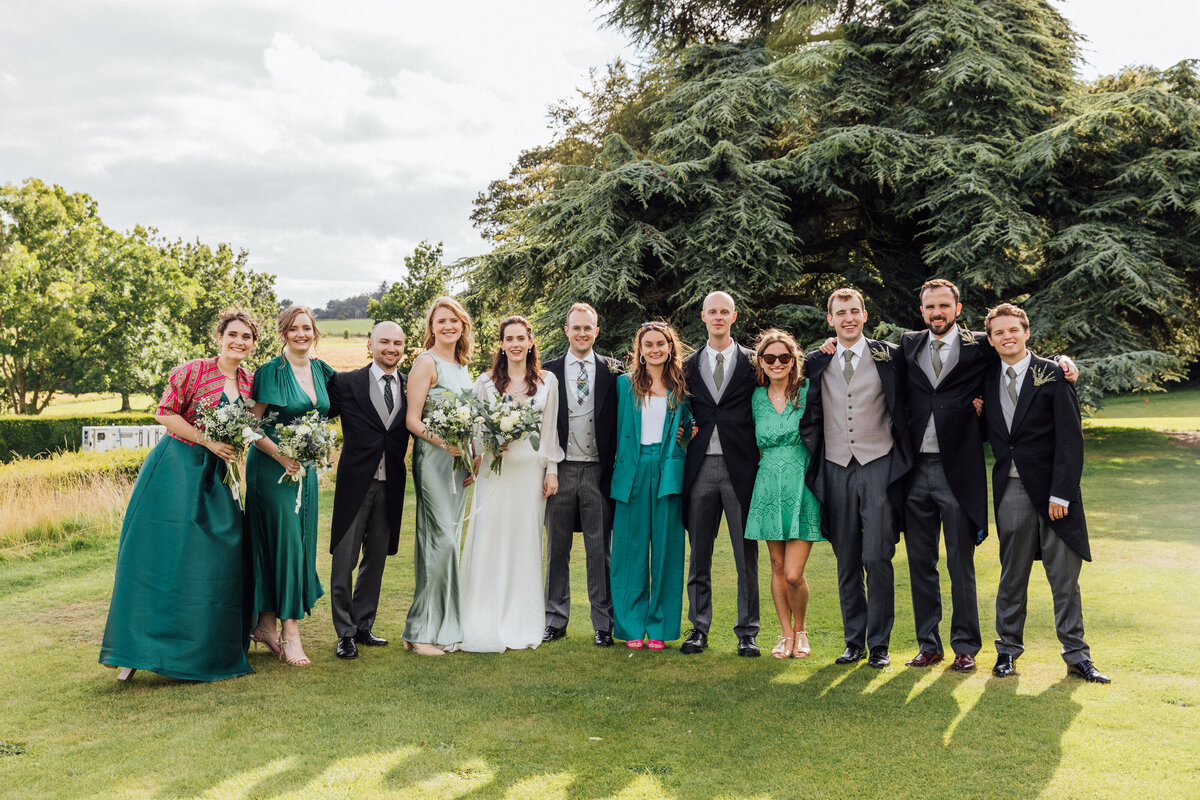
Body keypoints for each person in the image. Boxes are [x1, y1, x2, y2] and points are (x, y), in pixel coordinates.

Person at [895, 279, 1079, 673]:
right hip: (914, 472)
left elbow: (1019, 355)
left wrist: (1062, 361)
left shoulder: (981, 345)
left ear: (957, 309)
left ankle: (965, 645)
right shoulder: (907, 345)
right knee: (920, 562)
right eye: (930, 307)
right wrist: (825, 349)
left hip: (958, 471)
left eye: (944, 305)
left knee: (961, 562)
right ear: (922, 310)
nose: (937, 312)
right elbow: (863, 358)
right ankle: (928, 644)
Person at [99, 309, 259, 682]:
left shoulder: (251, 382)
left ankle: (206, 647)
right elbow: (165, 413)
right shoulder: (193, 371)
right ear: (220, 336)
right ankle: (137, 649)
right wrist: (208, 441)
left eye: (246, 337)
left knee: (220, 558)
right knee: (163, 557)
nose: (239, 341)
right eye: (232, 334)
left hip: (220, 477)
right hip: (176, 470)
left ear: (253, 343)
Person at [982, 303, 1109, 683]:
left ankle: (1076, 656)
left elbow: (1072, 442)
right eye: (999, 332)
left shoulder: (1053, 374)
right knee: (1011, 577)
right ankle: (1006, 652)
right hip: (1011, 490)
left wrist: (1062, 495)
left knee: (1065, 581)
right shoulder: (986, 377)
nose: (1007, 336)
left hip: (1055, 497)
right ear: (989, 340)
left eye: (1013, 330)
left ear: (1026, 332)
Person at [799, 288, 912, 669]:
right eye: (839, 312)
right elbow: (771, 369)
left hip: (878, 463)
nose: (847, 318)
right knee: (846, 558)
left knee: (878, 556)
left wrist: (1057, 361)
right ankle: (854, 642)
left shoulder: (890, 355)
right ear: (829, 319)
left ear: (865, 314)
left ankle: (880, 645)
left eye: (853, 311)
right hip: (834, 466)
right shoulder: (816, 360)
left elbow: (952, 349)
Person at [460, 316, 563, 652]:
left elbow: (549, 431)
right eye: (509, 338)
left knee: (524, 541)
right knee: (490, 537)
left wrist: (552, 470)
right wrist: (487, 447)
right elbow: (476, 430)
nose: (516, 344)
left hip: (530, 475)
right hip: (495, 472)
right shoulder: (486, 383)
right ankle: (482, 616)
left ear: (531, 341)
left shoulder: (548, 381)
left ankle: (521, 617)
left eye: (522, 338)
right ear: (501, 344)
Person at [245, 305, 336, 667]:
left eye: (307, 328)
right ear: (283, 333)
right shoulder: (271, 372)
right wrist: (282, 455)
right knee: (284, 544)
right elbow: (250, 426)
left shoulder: (320, 369)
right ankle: (291, 633)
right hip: (273, 471)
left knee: (300, 543)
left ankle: (265, 626)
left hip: (305, 471)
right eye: (294, 329)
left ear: (314, 332)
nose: (302, 334)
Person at [681, 291, 761, 657]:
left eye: (724, 312)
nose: (717, 317)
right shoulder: (686, 365)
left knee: (746, 556)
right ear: (702, 317)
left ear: (734, 316)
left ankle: (748, 632)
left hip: (740, 468)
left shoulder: (754, 362)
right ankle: (698, 628)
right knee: (699, 553)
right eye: (712, 311)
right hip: (699, 469)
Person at [326, 321, 411, 660]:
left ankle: (363, 626)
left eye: (398, 343)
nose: (392, 348)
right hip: (354, 483)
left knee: (375, 559)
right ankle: (344, 633)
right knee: (344, 559)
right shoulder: (346, 382)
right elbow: (316, 408)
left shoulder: (410, 385)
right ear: (370, 344)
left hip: (392, 484)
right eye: (385, 342)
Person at [610, 322, 692, 650]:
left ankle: (659, 625)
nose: (655, 349)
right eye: (648, 344)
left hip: (669, 469)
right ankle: (631, 625)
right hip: (632, 469)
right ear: (639, 350)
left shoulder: (681, 387)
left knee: (667, 550)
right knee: (630, 550)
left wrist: (686, 434)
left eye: (661, 343)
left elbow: (689, 425)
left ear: (670, 347)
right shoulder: (624, 385)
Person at [743, 329, 824, 659]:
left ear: (794, 362)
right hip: (768, 485)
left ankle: (802, 629)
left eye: (784, 358)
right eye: (770, 358)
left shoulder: (808, 391)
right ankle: (786, 635)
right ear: (761, 362)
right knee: (776, 567)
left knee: (794, 573)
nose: (777, 363)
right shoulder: (755, 398)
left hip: (802, 483)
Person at [542, 303, 620, 647]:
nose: (582, 333)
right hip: (559, 469)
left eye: (588, 328)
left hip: (598, 471)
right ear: (566, 331)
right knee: (557, 549)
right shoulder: (547, 372)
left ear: (597, 331)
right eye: (576, 328)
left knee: (598, 549)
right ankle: (554, 620)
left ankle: (603, 623)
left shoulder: (613, 372)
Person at [403, 296, 476, 656]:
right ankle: (420, 634)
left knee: (448, 543)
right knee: (439, 541)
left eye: (454, 321)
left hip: (459, 463)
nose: (448, 326)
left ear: (462, 326)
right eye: (441, 321)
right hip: (433, 460)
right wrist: (444, 444)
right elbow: (412, 420)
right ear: (432, 326)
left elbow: (472, 421)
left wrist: (471, 458)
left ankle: (433, 628)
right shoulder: (425, 362)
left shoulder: (463, 367)